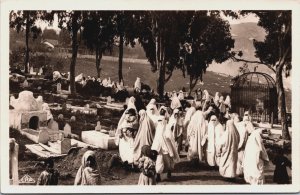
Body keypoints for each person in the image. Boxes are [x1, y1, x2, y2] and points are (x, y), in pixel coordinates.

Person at [151, 111, 180, 182]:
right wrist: (154, 148)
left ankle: (169, 172)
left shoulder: (167, 128)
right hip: (159, 149)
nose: (160, 122)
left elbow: (170, 138)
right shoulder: (158, 128)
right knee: (158, 162)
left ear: (164, 120)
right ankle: (158, 175)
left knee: (168, 162)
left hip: (166, 149)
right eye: (159, 120)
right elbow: (156, 139)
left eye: (161, 120)